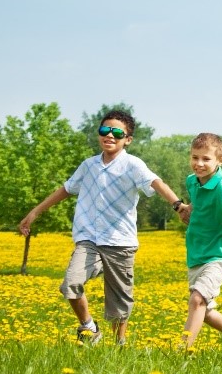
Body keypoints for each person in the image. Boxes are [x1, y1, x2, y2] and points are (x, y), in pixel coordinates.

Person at [18, 108, 187, 346]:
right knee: (70, 284)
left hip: (120, 242)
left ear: (127, 139)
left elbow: (155, 182)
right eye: (105, 130)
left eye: (117, 132)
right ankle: (89, 327)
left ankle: (119, 345)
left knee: (119, 299)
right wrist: (35, 212)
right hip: (89, 238)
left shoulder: (132, 164)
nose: (110, 135)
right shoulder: (88, 166)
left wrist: (178, 205)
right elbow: (66, 189)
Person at [180, 132, 222, 351]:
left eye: (206, 159)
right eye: (195, 157)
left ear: (220, 161)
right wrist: (190, 208)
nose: (199, 163)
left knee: (197, 300)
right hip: (197, 253)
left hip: (219, 254)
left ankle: (181, 352)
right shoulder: (192, 181)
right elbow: (198, 202)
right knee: (204, 310)